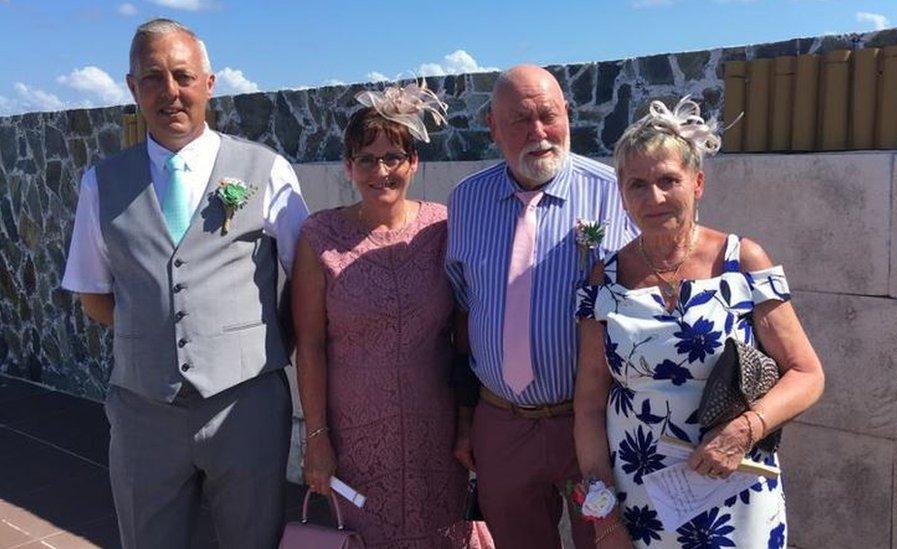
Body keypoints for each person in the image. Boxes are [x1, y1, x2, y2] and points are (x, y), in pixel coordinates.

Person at [60, 18, 309, 548]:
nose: (170, 92)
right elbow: (92, 294)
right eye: (153, 78)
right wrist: (152, 338)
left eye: (183, 76)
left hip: (247, 410)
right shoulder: (100, 184)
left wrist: (257, 343)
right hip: (142, 413)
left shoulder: (267, 169)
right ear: (132, 88)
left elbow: (307, 282)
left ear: (209, 83)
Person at [573, 97, 825, 548]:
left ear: (698, 183)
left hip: (736, 492)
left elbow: (807, 373)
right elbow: (590, 406)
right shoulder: (605, 279)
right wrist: (605, 518)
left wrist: (744, 430)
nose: (654, 197)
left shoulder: (742, 261)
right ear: (622, 194)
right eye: (637, 184)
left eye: (669, 180)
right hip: (642, 498)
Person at [292, 81, 491, 547]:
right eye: (366, 159)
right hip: (357, 436)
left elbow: (464, 332)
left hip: (437, 434)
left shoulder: (442, 227)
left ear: (414, 163)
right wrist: (317, 436)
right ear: (348, 166)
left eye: (393, 158)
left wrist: (467, 422)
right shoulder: (319, 236)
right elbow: (310, 343)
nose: (381, 170)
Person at [445, 64, 635, 549]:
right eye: (519, 121)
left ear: (567, 113)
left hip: (593, 427)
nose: (538, 133)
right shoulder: (466, 201)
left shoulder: (617, 192)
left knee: (606, 543)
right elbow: (464, 317)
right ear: (492, 128)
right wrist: (468, 419)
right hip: (503, 425)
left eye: (548, 116)